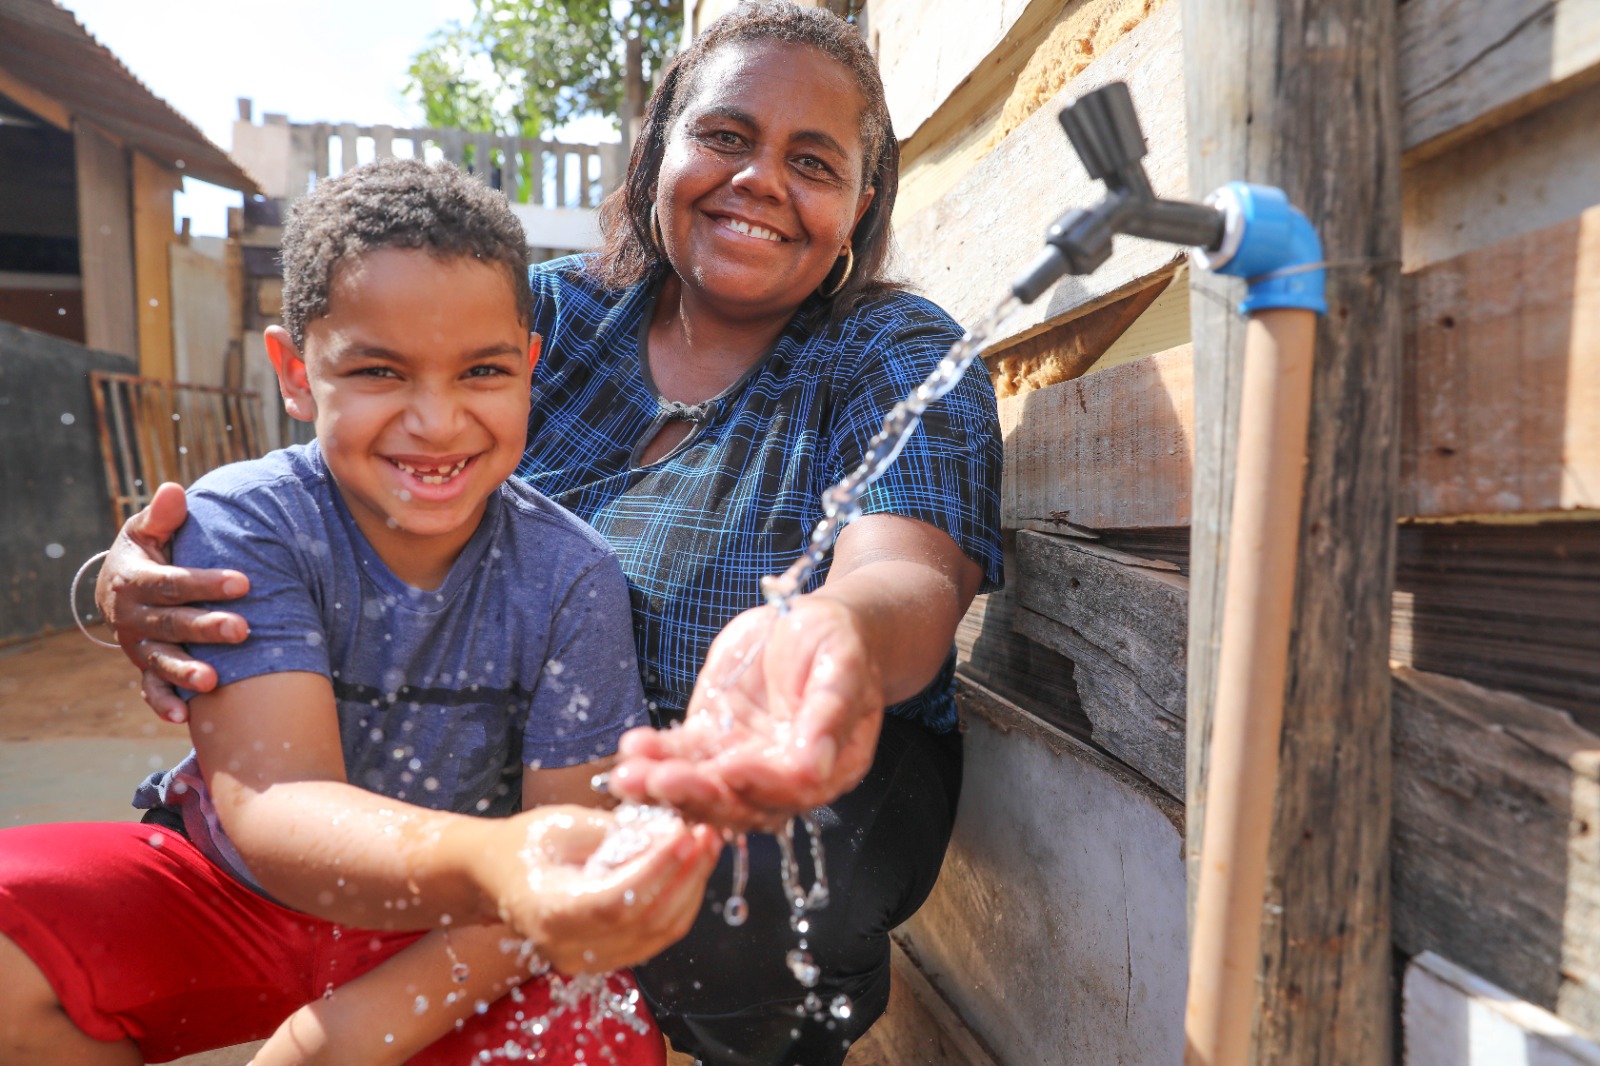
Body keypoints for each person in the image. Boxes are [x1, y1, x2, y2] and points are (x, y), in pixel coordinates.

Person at [94, 4, 1004, 1063]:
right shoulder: (544, 319)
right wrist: (139, 563)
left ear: (861, 202)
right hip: (522, 758)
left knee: (733, 895)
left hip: (800, 753)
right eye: (725, 136)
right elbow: (328, 469)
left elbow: (906, 577)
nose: (759, 178)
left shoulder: (893, 353)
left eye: (813, 159)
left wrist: (830, 636)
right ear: (659, 144)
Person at [0, 159, 722, 1066]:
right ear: (296, 373)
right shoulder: (246, 523)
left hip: (449, 934)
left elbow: (550, 880)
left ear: (530, 368)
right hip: (230, 896)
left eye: (483, 372)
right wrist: (501, 859)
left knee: (603, 1037)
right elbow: (277, 807)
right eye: (379, 370)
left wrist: (327, 1037)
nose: (437, 420)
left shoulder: (572, 575)